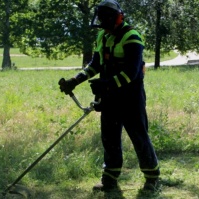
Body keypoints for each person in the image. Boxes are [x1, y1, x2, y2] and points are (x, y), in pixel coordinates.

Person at [58, 0, 160, 192]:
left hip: (131, 97)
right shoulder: (103, 37)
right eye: (101, 22)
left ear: (117, 18)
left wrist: (107, 84)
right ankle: (110, 179)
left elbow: (132, 72)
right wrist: (75, 80)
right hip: (110, 96)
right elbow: (95, 65)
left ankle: (152, 178)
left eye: (106, 22)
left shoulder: (132, 37)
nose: (103, 26)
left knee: (139, 137)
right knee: (110, 138)